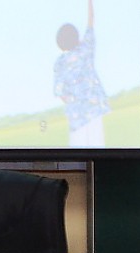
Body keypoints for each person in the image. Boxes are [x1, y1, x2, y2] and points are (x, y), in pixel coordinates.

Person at [54, 0, 110, 147]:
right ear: (76, 37)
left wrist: (74, 101)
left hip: (76, 119)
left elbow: (60, 93)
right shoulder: (86, 49)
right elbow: (91, 21)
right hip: (94, 112)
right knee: (98, 149)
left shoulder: (60, 63)